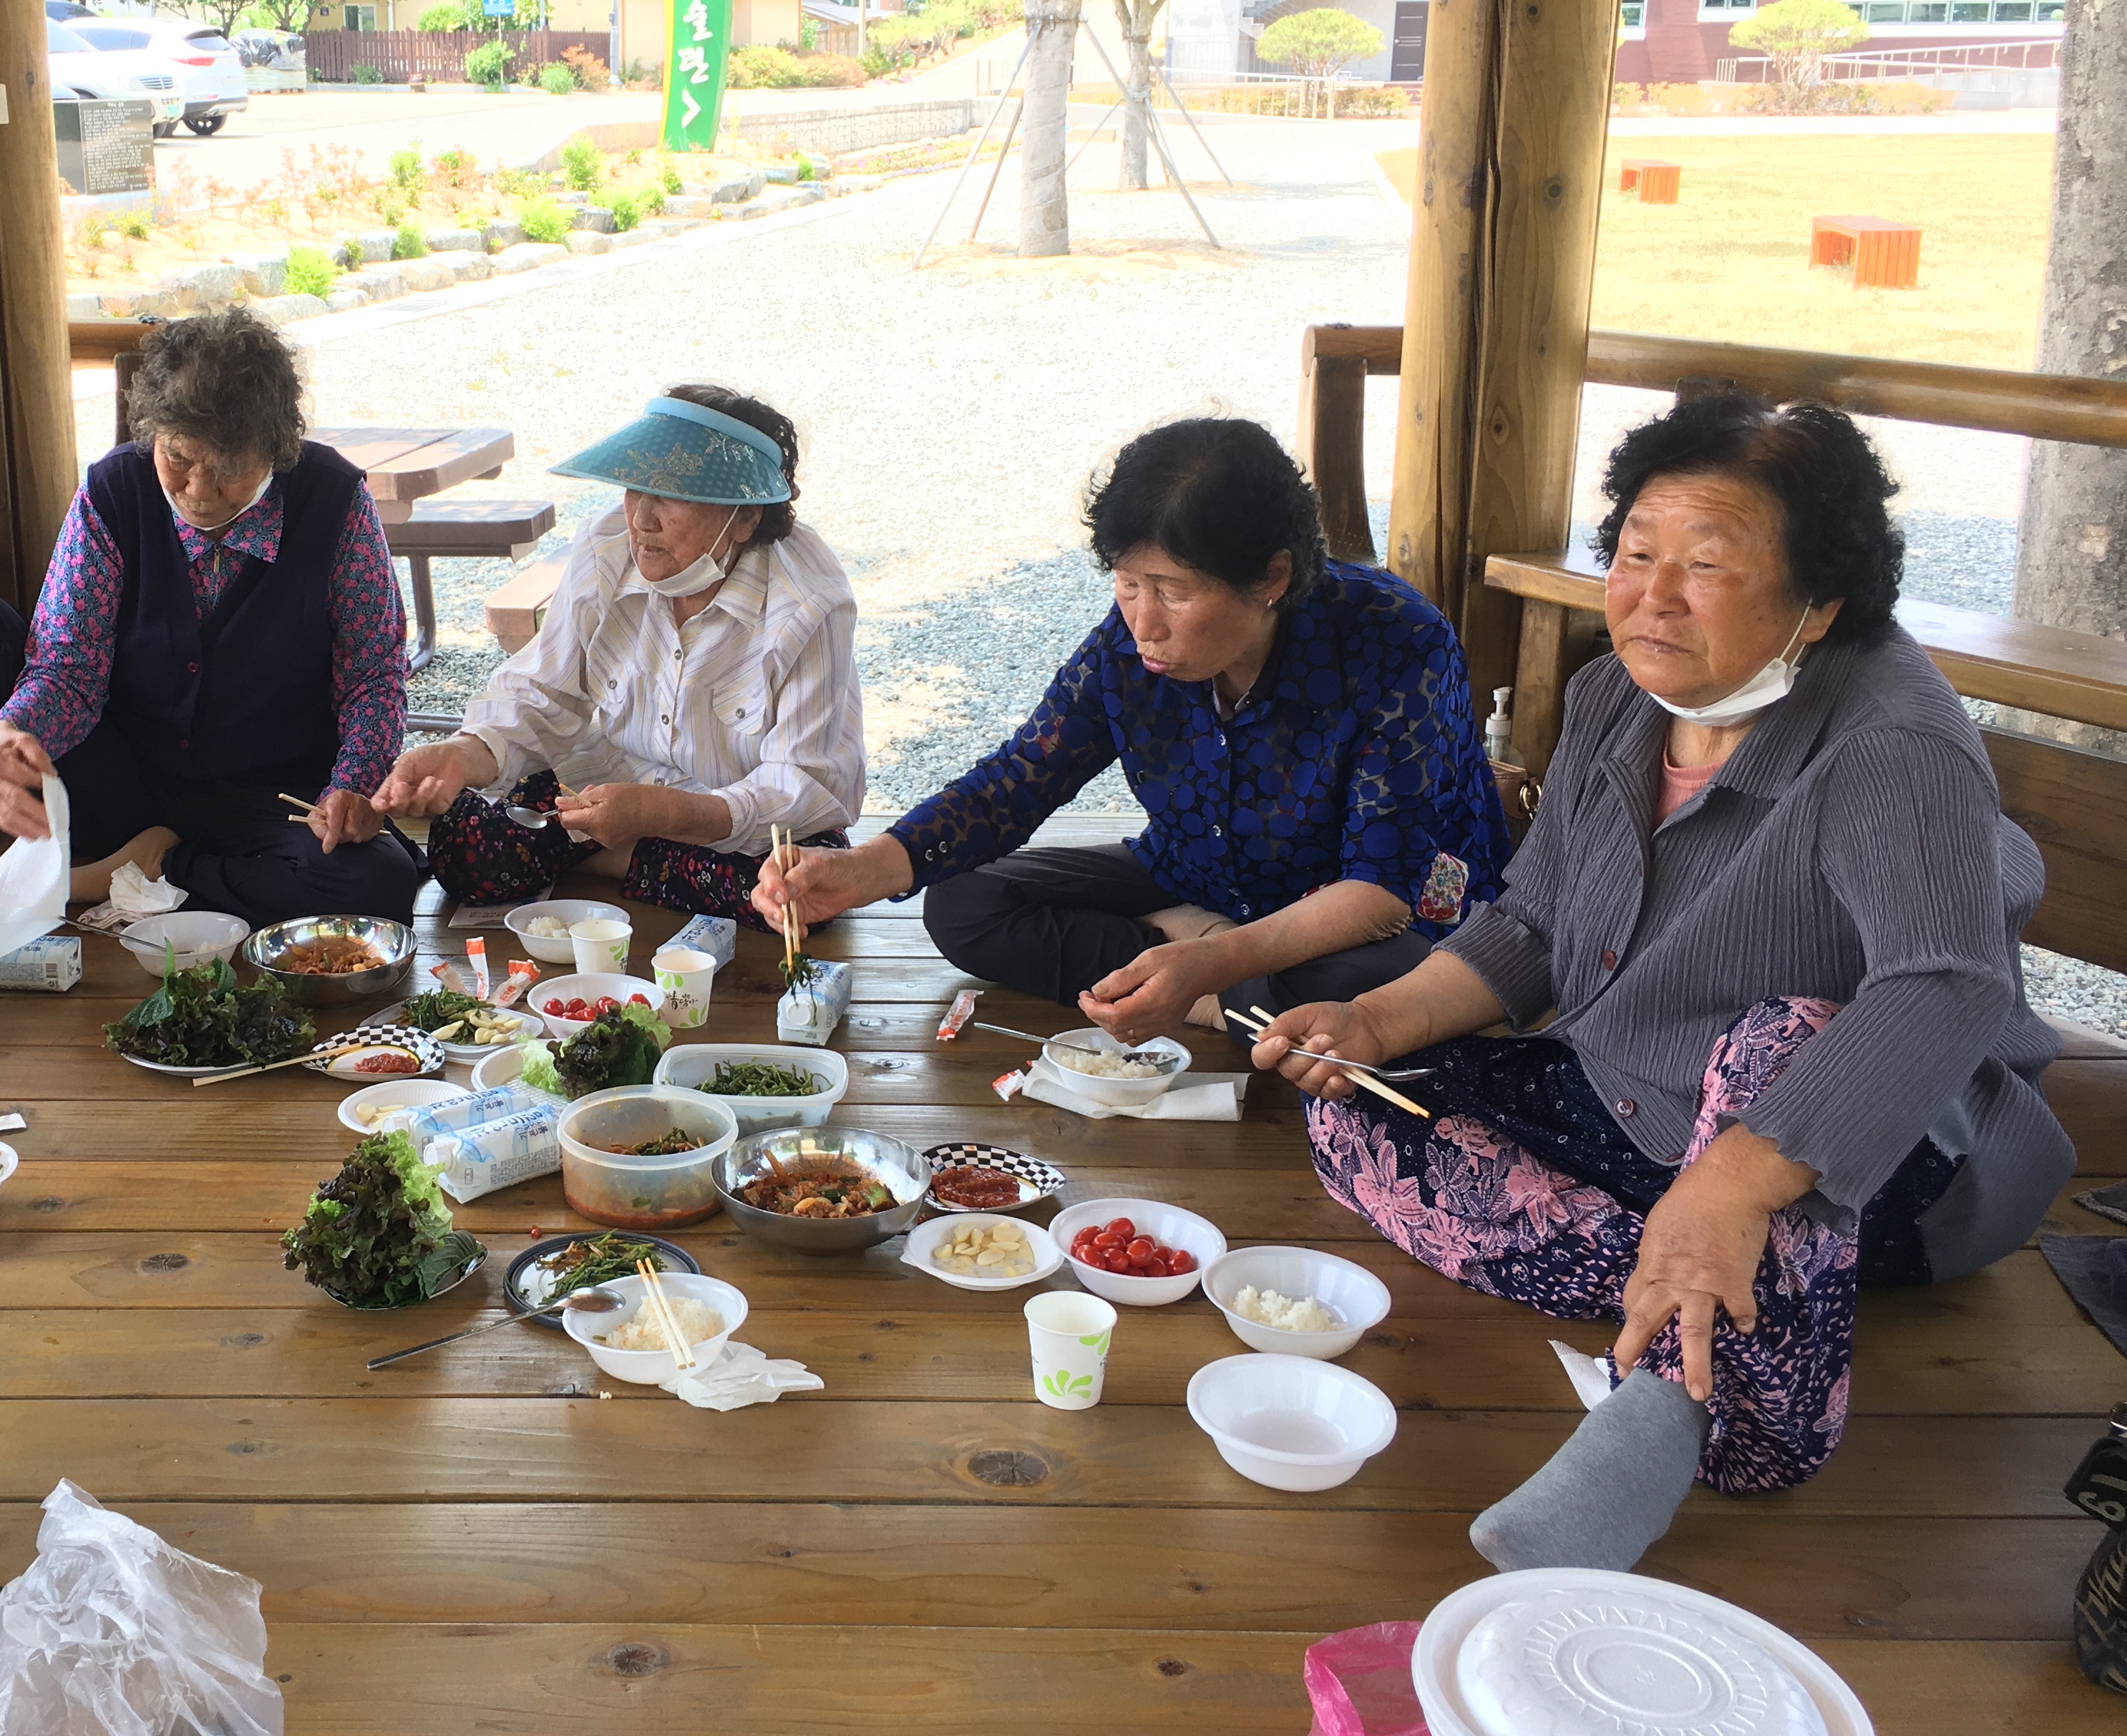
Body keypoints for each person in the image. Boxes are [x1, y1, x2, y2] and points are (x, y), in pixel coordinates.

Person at [1248, 391, 2075, 1574]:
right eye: (1636, 555)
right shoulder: (1615, 699)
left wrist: (1731, 1180)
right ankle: (1697, 1279)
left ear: (1819, 601)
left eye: (1707, 564)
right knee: (1355, 1110)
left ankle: (1702, 1409)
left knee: (1783, 1038)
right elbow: (1533, 920)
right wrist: (1371, 1021)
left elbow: (1943, 987)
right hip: (1638, 1105)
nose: (1653, 594)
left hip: (1873, 1154)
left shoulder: (1889, 742)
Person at [759, 418, 1509, 1041]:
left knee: (1394, 987)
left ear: (1272, 579)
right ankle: (1206, 982)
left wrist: (1210, 963)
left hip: (1365, 913)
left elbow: (1381, 892)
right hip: (1198, 872)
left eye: (1173, 592)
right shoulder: (1128, 645)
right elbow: (1019, 780)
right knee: (962, 902)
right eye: (1127, 584)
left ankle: (1191, 977)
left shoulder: (1398, 641)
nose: (1143, 623)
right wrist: (864, 871)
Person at [0, 311, 421, 931]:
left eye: (230, 469)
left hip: (265, 797)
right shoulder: (114, 493)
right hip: (123, 779)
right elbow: (69, 669)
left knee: (377, 881)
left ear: (277, 451)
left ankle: (149, 870)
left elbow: (373, 676)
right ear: (154, 434)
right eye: (180, 457)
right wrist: (12, 729)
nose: (200, 490)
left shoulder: (334, 501)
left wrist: (354, 783)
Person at [376, 386, 864, 922]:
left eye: (672, 495)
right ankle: (645, 862)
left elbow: (802, 781)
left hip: (734, 813)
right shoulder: (606, 546)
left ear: (746, 517)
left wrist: (664, 815)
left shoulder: (811, 603)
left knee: (796, 892)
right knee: (463, 847)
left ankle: (613, 859)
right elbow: (544, 691)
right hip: (608, 785)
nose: (642, 520)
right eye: (636, 488)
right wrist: (462, 754)